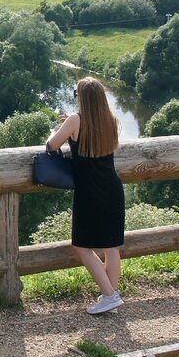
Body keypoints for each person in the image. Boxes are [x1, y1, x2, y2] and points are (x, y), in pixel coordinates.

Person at [46, 76, 126, 314]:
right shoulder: (111, 120)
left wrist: (56, 129)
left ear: (82, 97)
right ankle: (110, 296)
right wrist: (68, 127)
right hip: (112, 188)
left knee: (82, 246)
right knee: (111, 247)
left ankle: (110, 296)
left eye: (76, 94)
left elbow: (51, 146)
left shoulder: (74, 120)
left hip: (89, 192)